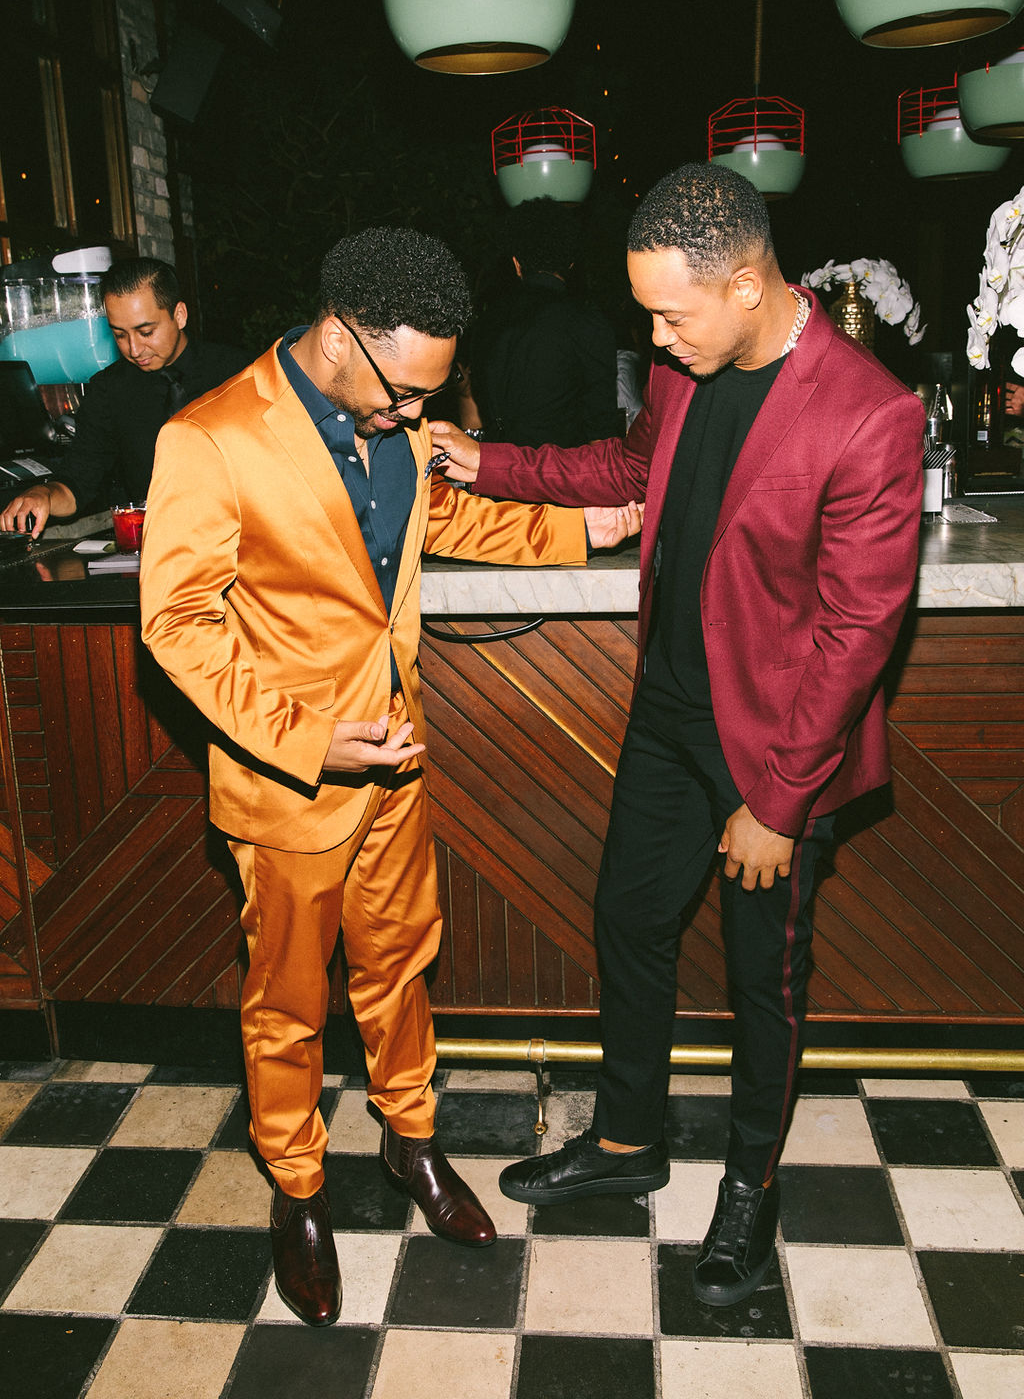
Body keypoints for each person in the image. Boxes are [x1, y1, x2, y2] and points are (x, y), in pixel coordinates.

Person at [430, 164, 924, 1308]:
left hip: (774, 749)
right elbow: (626, 468)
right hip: (666, 713)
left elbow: (858, 631)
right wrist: (484, 461)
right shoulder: (687, 366)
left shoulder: (868, 411)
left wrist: (778, 802)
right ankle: (626, 1141)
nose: (652, 335)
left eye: (668, 313)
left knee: (764, 977)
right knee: (630, 921)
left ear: (745, 285)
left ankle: (751, 1184)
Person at [139, 226, 638, 1328]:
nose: (417, 415)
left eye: (430, 395)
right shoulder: (209, 438)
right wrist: (308, 740)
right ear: (340, 336)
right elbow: (176, 627)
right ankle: (297, 1192)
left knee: (401, 965)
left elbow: (446, 515)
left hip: (397, 760)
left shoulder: (396, 422)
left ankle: (411, 1145)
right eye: (404, 392)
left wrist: (577, 531)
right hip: (288, 779)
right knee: (288, 1004)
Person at [0, 258, 245, 538]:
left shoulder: (239, 374)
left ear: (179, 315)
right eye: (119, 335)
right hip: (160, 544)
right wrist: (44, 495)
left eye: (146, 332)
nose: (134, 349)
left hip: (243, 539)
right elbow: (78, 482)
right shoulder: (109, 390)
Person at [468, 197, 621, 447]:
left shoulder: (487, 321)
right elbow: (601, 432)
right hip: (559, 470)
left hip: (493, 465)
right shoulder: (586, 323)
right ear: (570, 263)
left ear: (517, 264)